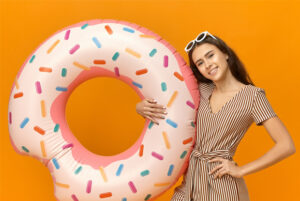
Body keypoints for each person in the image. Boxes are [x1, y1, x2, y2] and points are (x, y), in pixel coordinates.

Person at [135, 31, 295, 201]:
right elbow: (167, 109)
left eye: (210, 55)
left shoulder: (253, 96)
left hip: (223, 189)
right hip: (189, 185)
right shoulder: (198, 89)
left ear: (225, 53)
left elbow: (286, 145)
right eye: (200, 63)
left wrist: (241, 170)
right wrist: (140, 107)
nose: (208, 65)